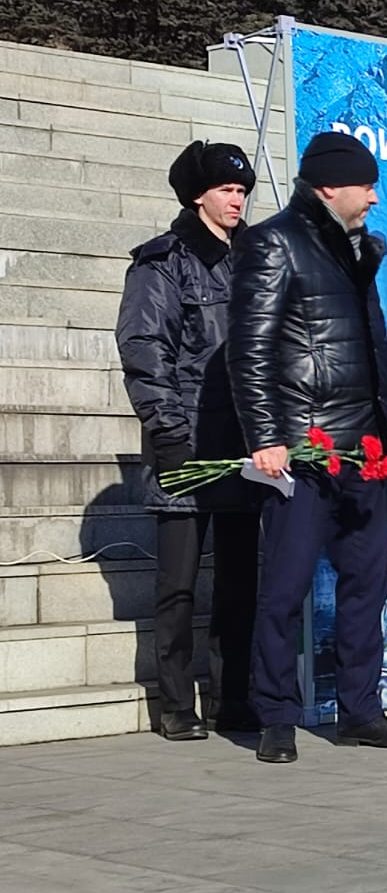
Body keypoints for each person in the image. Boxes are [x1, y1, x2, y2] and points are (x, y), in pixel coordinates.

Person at [229, 130, 387, 763]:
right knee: (285, 589)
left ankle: (362, 711)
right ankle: (277, 716)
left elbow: (366, 344)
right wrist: (266, 437)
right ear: (329, 185)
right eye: (365, 185)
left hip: (361, 447)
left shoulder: (358, 250)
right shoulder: (272, 243)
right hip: (302, 447)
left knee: (368, 582)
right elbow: (250, 348)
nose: (373, 197)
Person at [116, 141, 260, 740]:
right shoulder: (162, 262)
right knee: (177, 584)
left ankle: (235, 700)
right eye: (227, 189)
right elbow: (145, 352)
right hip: (186, 443)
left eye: (243, 189)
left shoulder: (259, 258)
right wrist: (171, 437)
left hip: (247, 447)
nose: (238, 198)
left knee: (239, 582)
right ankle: (175, 704)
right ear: (197, 194)